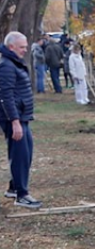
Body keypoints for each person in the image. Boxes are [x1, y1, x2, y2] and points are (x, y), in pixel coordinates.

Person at [0, 31, 41, 209]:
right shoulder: (7, 65)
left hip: (21, 117)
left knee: (25, 153)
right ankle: (21, 195)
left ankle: (14, 187)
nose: (25, 50)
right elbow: (5, 95)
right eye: (22, 47)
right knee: (20, 155)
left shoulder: (13, 62)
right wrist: (14, 121)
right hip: (14, 119)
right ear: (11, 47)